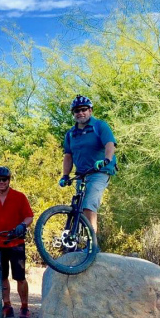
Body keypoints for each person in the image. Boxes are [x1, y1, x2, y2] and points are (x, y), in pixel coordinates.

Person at [0, 166, 34, 318]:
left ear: (9, 180)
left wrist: (22, 225)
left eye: (4, 179)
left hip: (16, 242)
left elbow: (29, 217)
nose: (1, 182)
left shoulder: (19, 197)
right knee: (2, 276)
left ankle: (24, 307)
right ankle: (7, 305)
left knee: (20, 277)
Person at [60, 95, 117, 234]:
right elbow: (68, 155)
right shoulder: (71, 134)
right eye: (76, 110)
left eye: (84, 109)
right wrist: (65, 175)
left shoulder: (99, 126)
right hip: (82, 174)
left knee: (88, 206)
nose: (80, 113)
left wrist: (106, 160)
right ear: (73, 113)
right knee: (77, 206)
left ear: (90, 110)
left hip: (99, 172)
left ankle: (92, 244)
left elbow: (110, 144)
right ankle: (77, 240)